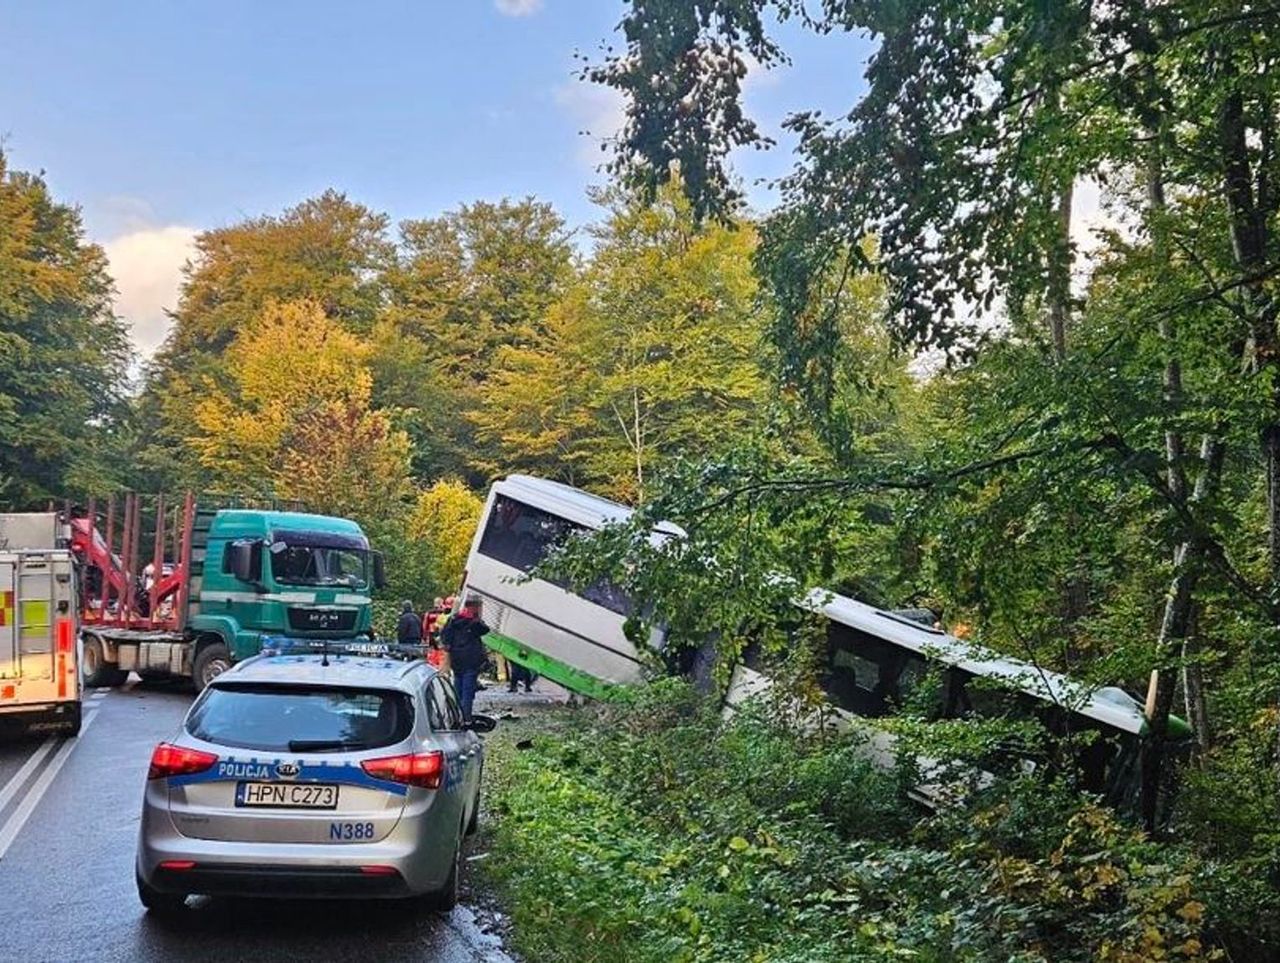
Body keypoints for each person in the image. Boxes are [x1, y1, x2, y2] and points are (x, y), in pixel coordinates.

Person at [441, 595, 489, 723]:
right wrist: (477, 617)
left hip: (456, 660)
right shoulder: (474, 622)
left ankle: (456, 717)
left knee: (458, 690)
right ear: (475, 607)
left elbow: (445, 637)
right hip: (471, 660)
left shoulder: (453, 620)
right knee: (468, 692)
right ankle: (465, 719)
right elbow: (485, 629)